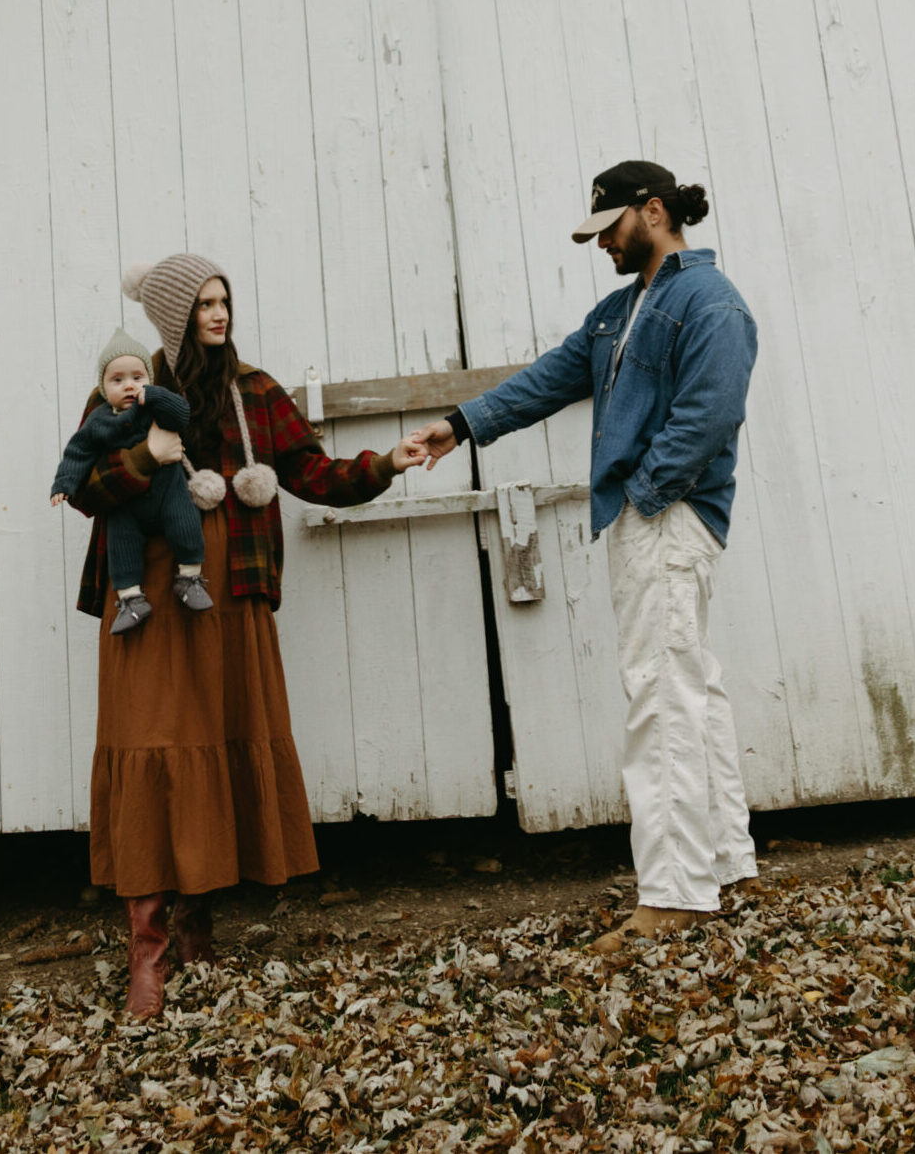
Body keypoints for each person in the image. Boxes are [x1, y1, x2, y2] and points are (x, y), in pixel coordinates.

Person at [63, 252, 429, 1019]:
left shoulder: (256, 391)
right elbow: (87, 488)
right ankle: (147, 953)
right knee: (152, 743)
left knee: (216, 741)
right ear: (175, 315)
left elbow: (313, 473)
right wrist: (146, 455)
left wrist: (385, 464)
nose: (220, 314)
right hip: (148, 597)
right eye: (204, 303)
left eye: (224, 300)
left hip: (230, 595)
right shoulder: (129, 385)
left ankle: (195, 927)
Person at [411, 160, 759, 952]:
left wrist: (646, 491)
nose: (602, 243)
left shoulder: (712, 301)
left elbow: (711, 414)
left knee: (660, 693)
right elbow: (548, 378)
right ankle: (725, 863)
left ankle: (673, 895)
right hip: (653, 517)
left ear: (654, 211)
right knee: (691, 684)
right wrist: (459, 426)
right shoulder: (621, 309)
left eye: (610, 227)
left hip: (669, 518)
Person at [49, 327, 212, 634]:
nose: (129, 386)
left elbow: (182, 414)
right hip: (126, 503)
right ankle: (131, 600)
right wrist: (63, 484)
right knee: (121, 544)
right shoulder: (99, 420)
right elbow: (78, 452)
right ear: (103, 387)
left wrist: (157, 395)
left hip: (169, 490)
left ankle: (189, 578)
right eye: (117, 380)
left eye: (138, 377)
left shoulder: (154, 407)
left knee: (186, 523)